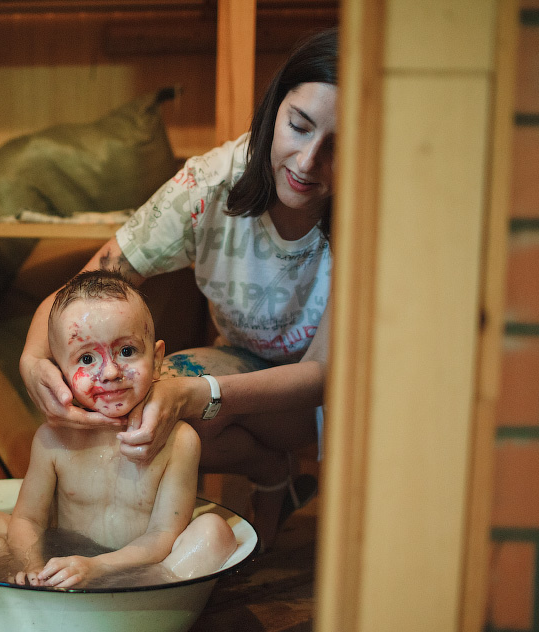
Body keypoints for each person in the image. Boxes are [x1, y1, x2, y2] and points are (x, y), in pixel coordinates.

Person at [18, 28, 338, 551]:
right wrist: (33, 361)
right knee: (138, 397)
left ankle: (272, 478)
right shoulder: (210, 185)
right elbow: (91, 283)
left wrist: (201, 394)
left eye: (338, 147)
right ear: (273, 109)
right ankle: (270, 472)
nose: (307, 162)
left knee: (174, 396)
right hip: (243, 361)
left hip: (334, 397)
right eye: (299, 127)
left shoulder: (371, 208)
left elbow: (322, 378)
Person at [0, 270, 237, 588]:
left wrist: (97, 568)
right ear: (60, 373)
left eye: (127, 351)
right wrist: (32, 567)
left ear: (157, 359)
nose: (110, 372)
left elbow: (164, 535)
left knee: (214, 533)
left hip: (139, 569)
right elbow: (28, 520)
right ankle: (36, 588)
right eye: (86, 358)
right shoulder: (54, 440)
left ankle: (138, 597)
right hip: (62, 563)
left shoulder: (178, 441)